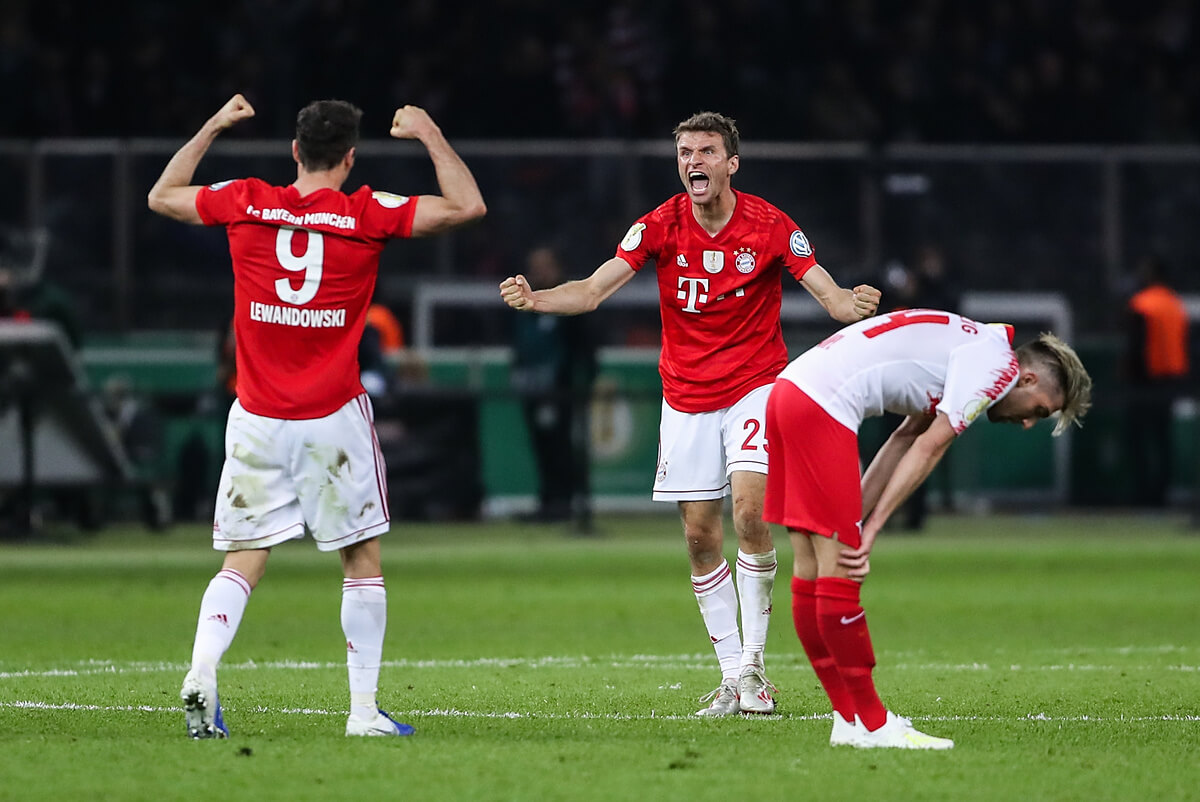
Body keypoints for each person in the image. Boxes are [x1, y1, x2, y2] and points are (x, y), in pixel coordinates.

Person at [499, 111, 881, 716]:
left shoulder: (771, 225)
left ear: (732, 163)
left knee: (753, 513)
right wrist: (539, 298)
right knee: (701, 536)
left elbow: (827, 293)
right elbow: (595, 289)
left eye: (706, 151)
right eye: (684, 152)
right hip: (685, 395)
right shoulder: (659, 225)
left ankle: (756, 669)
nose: (693, 161)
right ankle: (731, 677)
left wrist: (849, 303)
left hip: (756, 385)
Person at [147, 93, 486, 738]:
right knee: (361, 558)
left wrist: (213, 124)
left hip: (255, 415)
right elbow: (468, 206)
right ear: (351, 158)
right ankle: (362, 713)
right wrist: (429, 133)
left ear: (295, 151)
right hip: (331, 415)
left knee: (242, 557)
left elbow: (162, 196)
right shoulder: (367, 211)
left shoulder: (246, 200)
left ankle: (202, 670)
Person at [763, 309, 1092, 749]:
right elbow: (929, 447)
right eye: (1040, 410)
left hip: (789, 390)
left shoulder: (969, 348)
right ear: (1028, 378)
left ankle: (848, 720)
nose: (1029, 421)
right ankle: (877, 725)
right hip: (823, 404)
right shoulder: (997, 369)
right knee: (839, 573)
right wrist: (873, 525)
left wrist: (856, 516)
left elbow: (902, 439)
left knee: (810, 563)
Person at [510, 245, 598, 530]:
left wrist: (582, 381)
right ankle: (548, 503)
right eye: (535, 266)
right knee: (542, 447)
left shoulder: (570, 302)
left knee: (564, 447)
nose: (539, 272)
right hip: (533, 389)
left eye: (544, 265)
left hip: (563, 391)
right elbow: (520, 345)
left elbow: (585, 347)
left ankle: (569, 504)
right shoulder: (526, 306)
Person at [1123, 253, 1189, 507]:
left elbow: (1135, 345)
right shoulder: (1175, 305)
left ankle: (1143, 496)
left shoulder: (1142, 304)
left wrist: (1127, 373)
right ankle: (1162, 495)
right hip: (1172, 379)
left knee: (1138, 438)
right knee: (1163, 440)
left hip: (1144, 381)